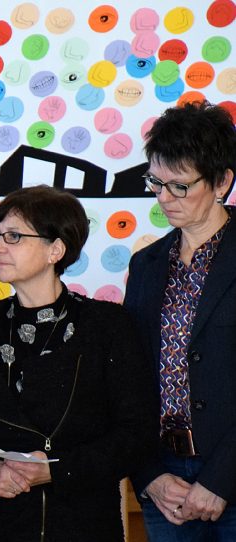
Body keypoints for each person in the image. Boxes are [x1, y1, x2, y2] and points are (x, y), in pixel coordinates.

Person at [0, 185, 157, 541]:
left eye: (14, 236)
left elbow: (135, 433)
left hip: (82, 524)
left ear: (56, 249)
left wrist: (56, 471)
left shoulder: (106, 325)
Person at [124, 101, 236, 540]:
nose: (163, 198)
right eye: (156, 182)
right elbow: (130, 381)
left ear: (223, 180)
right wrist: (149, 475)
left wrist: (220, 480)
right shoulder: (147, 264)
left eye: (180, 186)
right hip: (164, 480)